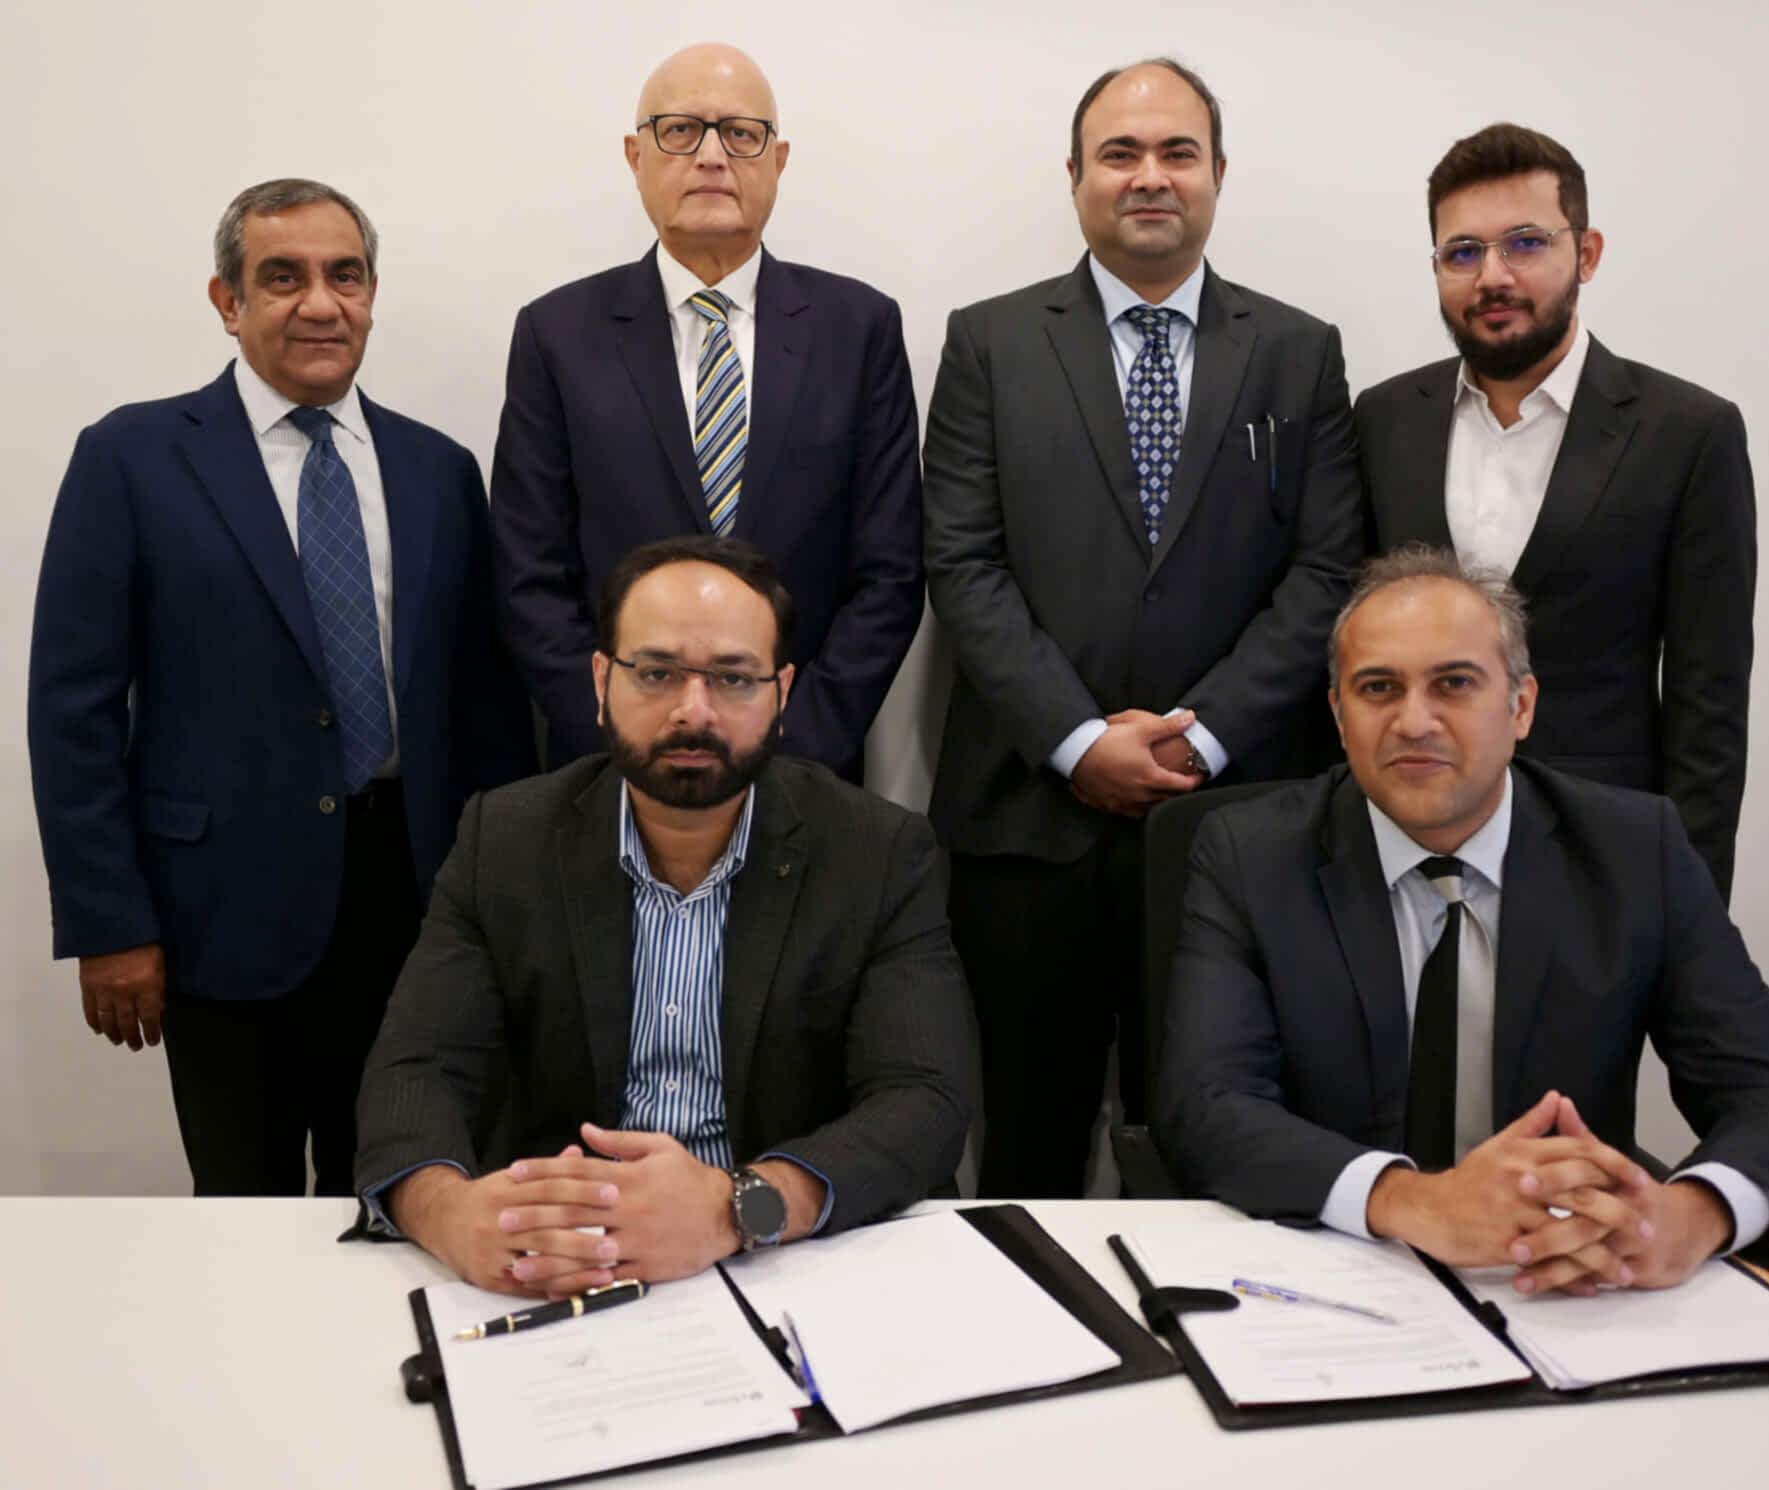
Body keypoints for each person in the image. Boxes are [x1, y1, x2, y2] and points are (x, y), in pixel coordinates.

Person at [26, 179, 534, 1196]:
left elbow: (483, 705)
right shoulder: (133, 457)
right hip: (217, 912)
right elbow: (72, 708)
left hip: (413, 903)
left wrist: (503, 906)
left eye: (344, 275)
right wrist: (108, 921)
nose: (320, 302)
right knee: (242, 1210)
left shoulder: (438, 469)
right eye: (283, 277)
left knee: (402, 1195)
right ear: (227, 300)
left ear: (372, 292)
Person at [1157, 546, 1769, 1294]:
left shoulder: (1636, 851)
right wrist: (1413, 1201)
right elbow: (1208, 1107)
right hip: (1340, 1274)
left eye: (1453, 684)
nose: (1414, 721)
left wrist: (1687, 1217)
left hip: (1567, 1280)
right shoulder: (1249, 854)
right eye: (1378, 687)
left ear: (1521, 706)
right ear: (1339, 714)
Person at [922, 58, 1363, 1198]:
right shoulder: (990, 343)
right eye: (1121, 153)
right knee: (1026, 1143)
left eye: (1178, 152)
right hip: (1028, 821)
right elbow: (961, 562)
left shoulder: (1298, 351)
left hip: (1235, 822)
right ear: (1075, 177)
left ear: (1219, 175)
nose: (1150, 176)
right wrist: (1077, 738)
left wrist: (1199, 736)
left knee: (1220, 1146)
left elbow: (1326, 572)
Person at [354, 536, 974, 1296]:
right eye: (655, 673)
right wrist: (450, 1215)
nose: (693, 710)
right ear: (600, 681)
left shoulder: (877, 852)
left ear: (782, 693)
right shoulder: (504, 839)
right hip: (564, 1261)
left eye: (734, 678)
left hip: (789, 1265)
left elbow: (925, 1098)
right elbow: (416, 1070)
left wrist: (739, 1206)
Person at [491, 42, 923, 783]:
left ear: (778, 160)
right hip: (610, 770)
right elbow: (529, 571)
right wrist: (622, 731)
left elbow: (888, 571)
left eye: (741, 133)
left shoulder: (860, 329)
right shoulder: (557, 333)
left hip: (806, 769)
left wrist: (800, 738)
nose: (713, 156)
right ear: (636, 155)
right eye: (681, 130)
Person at [1355, 122, 1754, 901]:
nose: (1492, 276)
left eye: (1526, 244)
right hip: (1401, 850)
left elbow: (1709, 708)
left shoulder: (1688, 433)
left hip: (1601, 862)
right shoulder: (1382, 419)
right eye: (1462, 252)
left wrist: (1690, 917)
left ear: (1588, 253)